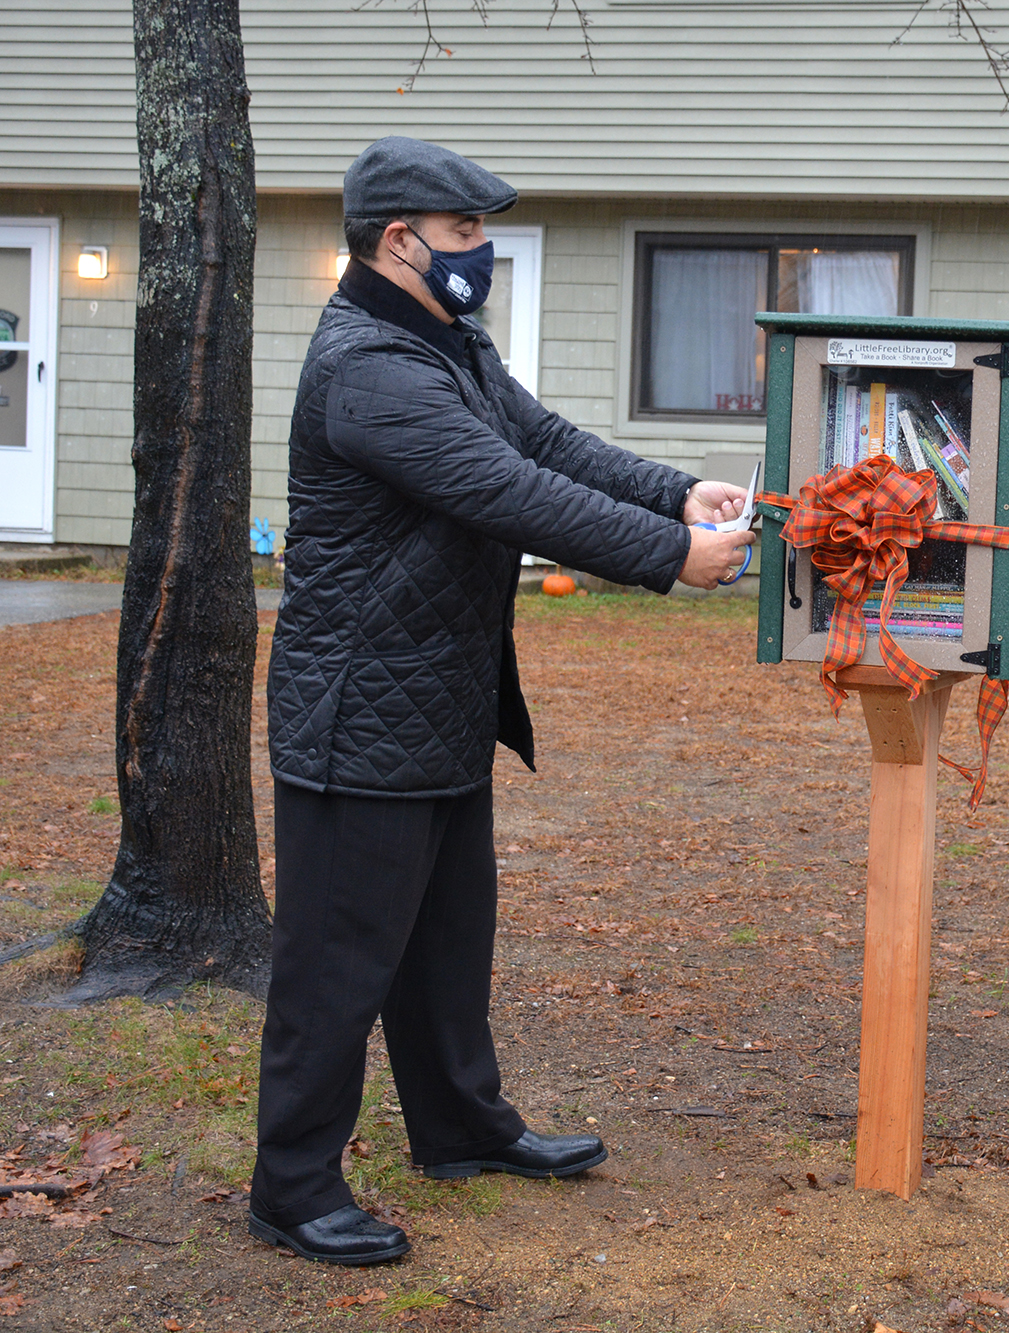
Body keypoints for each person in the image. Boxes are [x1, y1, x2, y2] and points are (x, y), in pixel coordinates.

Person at [251, 137, 755, 1267]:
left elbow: (546, 441)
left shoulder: (449, 340)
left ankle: (462, 1128)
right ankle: (291, 1186)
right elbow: (507, 490)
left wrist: (676, 490)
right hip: (356, 717)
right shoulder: (368, 367)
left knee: (445, 942)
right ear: (399, 241)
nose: (481, 251)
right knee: (335, 966)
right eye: (466, 232)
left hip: (437, 699)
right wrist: (668, 554)